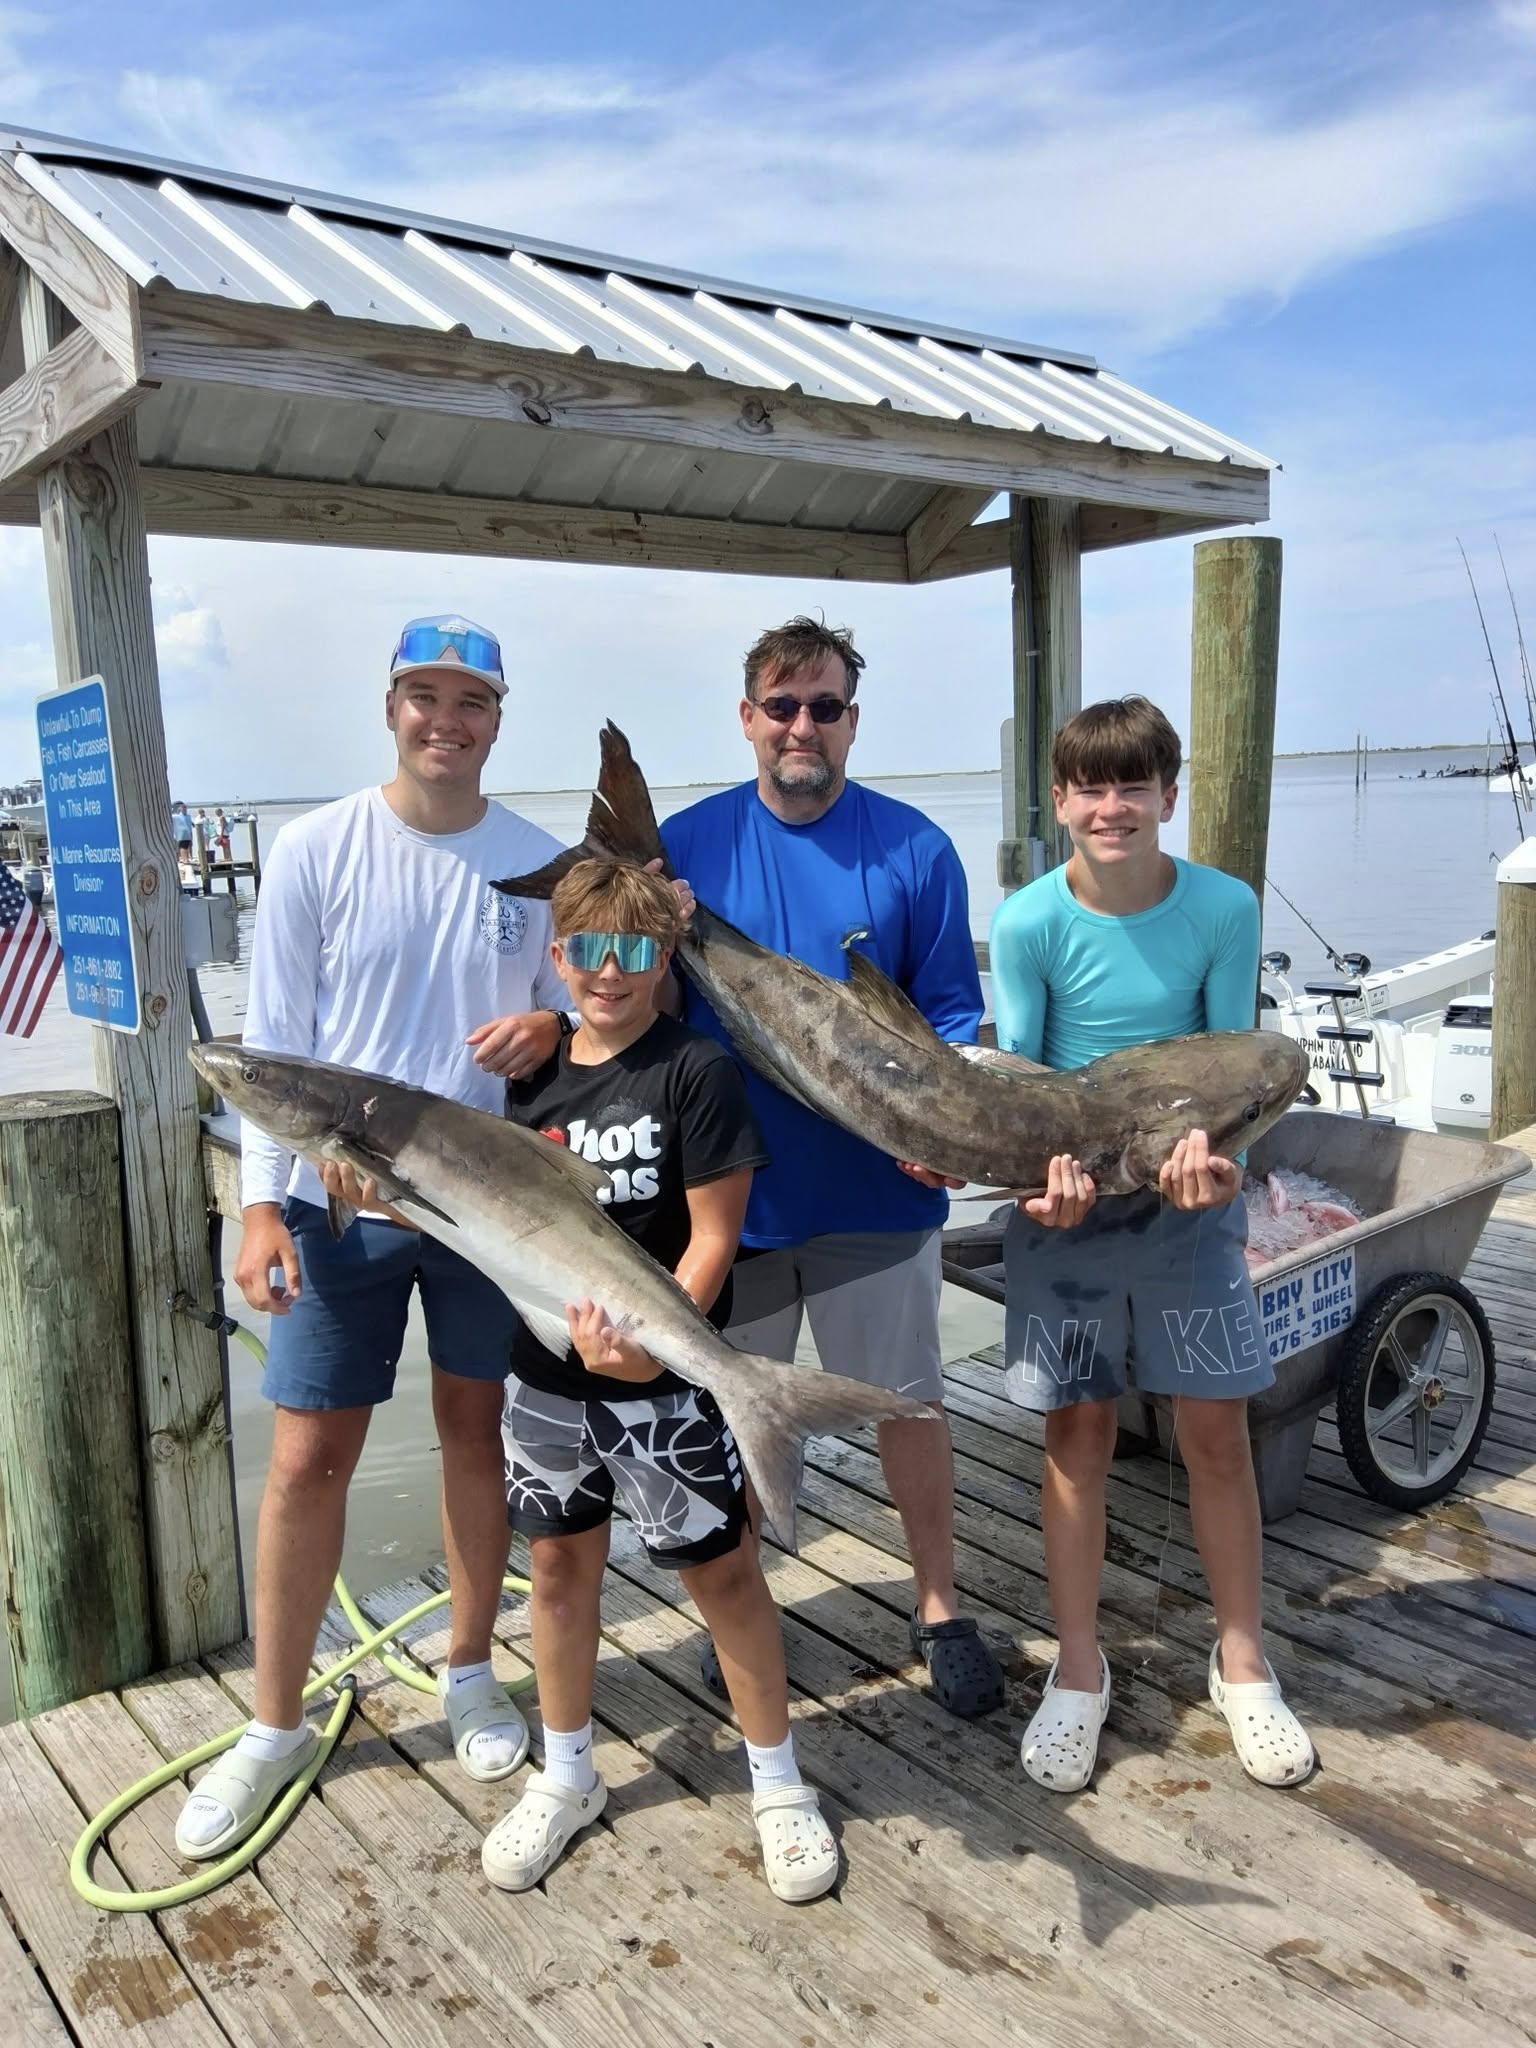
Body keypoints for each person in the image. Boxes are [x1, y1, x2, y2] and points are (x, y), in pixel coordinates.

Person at [176, 613, 577, 1860]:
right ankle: (275, 1722)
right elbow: (274, 1043)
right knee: (306, 1461)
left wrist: (552, 1032)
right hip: (330, 1201)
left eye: (470, 698)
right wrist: (257, 1203)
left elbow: (590, 1004)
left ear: (499, 715)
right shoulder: (313, 848)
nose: (444, 719)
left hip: (482, 1207)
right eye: (423, 695)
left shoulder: (542, 862)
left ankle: (467, 1665)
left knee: (478, 1429)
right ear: (390, 704)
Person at [660, 616, 1004, 1717]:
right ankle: (742, 1599)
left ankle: (940, 1600)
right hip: (731, 1203)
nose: (801, 725)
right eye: (782, 704)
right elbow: (638, 1004)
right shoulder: (681, 846)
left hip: (876, 1194)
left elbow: (950, 1014)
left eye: (824, 706)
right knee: (738, 1410)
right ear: (747, 716)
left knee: (907, 1404)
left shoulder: (914, 848)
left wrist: (939, 1122)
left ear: (852, 720)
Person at [483, 857, 839, 1903]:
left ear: (664, 957)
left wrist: (653, 1345)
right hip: (544, 1384)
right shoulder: (527, 1078)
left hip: (668, 1381)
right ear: (558, 959)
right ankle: (567, 1771)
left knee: (724, 1572)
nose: (609, 969)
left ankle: (777, 1781)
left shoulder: (697, 1071)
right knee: (556, 1573)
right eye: (588, 949)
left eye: (634, 950)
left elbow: (716, 1233)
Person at [988, 695, 1314, 1793]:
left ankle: (1243, 1659)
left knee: (1216, 1435)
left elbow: (1239, 1069)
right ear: (1061, 799)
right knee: (1076, 1436)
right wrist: (1045, 1192)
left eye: (1136, 783)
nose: (1112, 805)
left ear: (1169, 795)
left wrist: (1219, 1177)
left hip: (1192, 1199)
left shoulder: (1223, 905)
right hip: (1069, 1202)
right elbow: (1025, 1089)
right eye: (1090, 784)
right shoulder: (1030, 921)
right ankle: (1078, 1671)